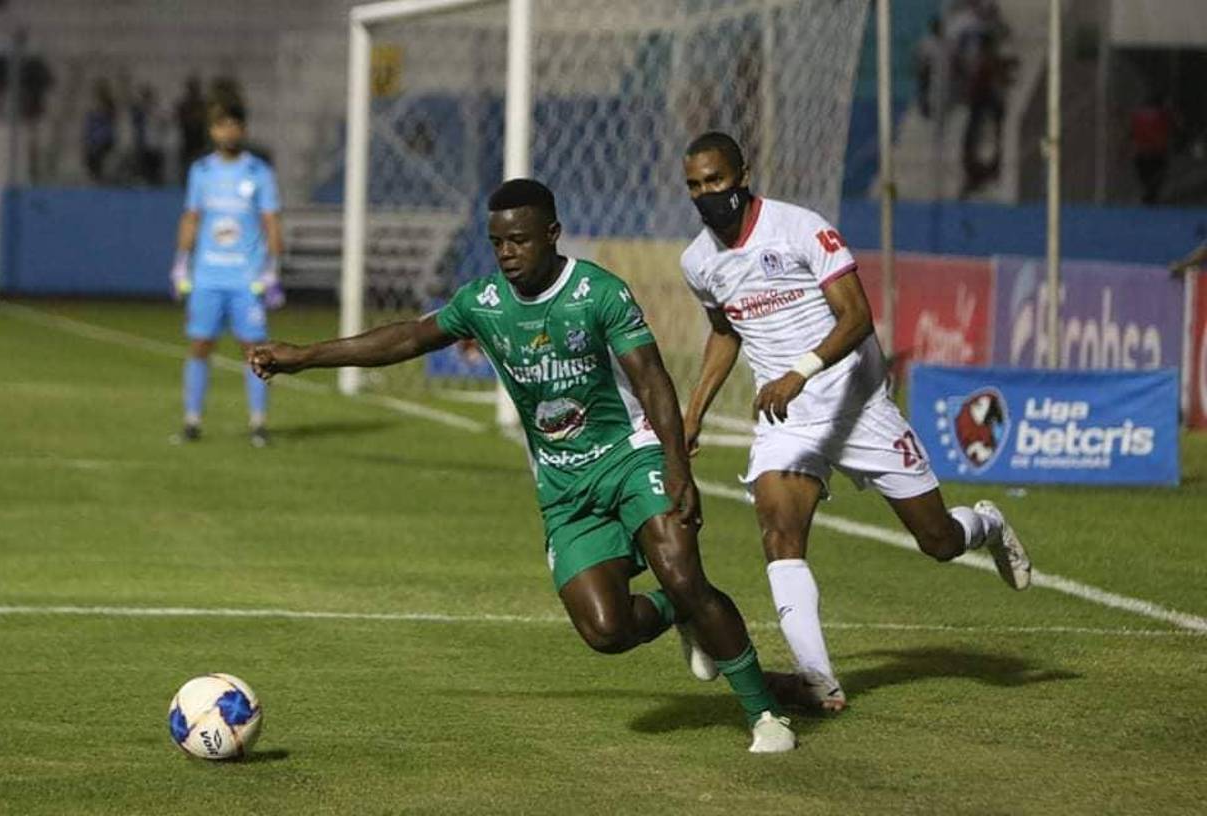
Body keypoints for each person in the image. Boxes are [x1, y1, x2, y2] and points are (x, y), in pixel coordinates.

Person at [247, 178, 796, 753]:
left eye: (519, 240)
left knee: (683, 573)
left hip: (629, 456)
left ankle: (765, 715)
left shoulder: (598, 292)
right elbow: (407, 337)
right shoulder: (482, 303)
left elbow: (653, 382)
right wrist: (304, 357)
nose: (507, 253)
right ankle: (674, 611)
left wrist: (677, 466)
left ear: (552, 234)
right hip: (563, 484)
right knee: (607, 631)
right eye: (497, 243)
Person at [678, 132, 1031, 712]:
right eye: (694, 186)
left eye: (715, 180)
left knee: (938, 540)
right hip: (788, 421)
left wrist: (798, 373)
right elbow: (724, 331)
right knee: (779, 535)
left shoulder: (799, 228)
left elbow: (857, 317)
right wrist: (694, 413)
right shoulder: (698, 261)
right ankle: (819, 679)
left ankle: (987, 523)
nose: (705, 194)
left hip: (857, 406)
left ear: (742, 175)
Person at [171, 101, 284, 447]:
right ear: (213, 130)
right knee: (200, 345)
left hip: (246, 278)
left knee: (255, 349)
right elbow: (191, 217)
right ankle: (192, 420)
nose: (228, 132)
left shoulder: (258, 172)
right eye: (222, 125)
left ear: (243, 130)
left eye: (234, 125)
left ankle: (258, 422)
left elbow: (270, 221)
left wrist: (273, 269)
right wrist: (180, 262)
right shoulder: (201, 171)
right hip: (208, 276)